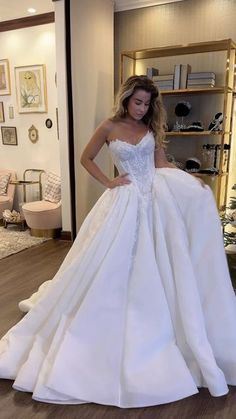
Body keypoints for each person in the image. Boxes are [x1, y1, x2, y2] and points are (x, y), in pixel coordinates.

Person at [0, 75, 236, 407]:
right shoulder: (109, 126)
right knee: (109, 262)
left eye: (147, 104)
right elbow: (86, 158)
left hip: (154, 200)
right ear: (126, 99)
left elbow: (161, 164)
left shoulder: (151, 129)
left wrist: (189, 177)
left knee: (162, 262)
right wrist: (109, 182)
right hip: (122, 200)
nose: (141, 109)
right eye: (137, 102)